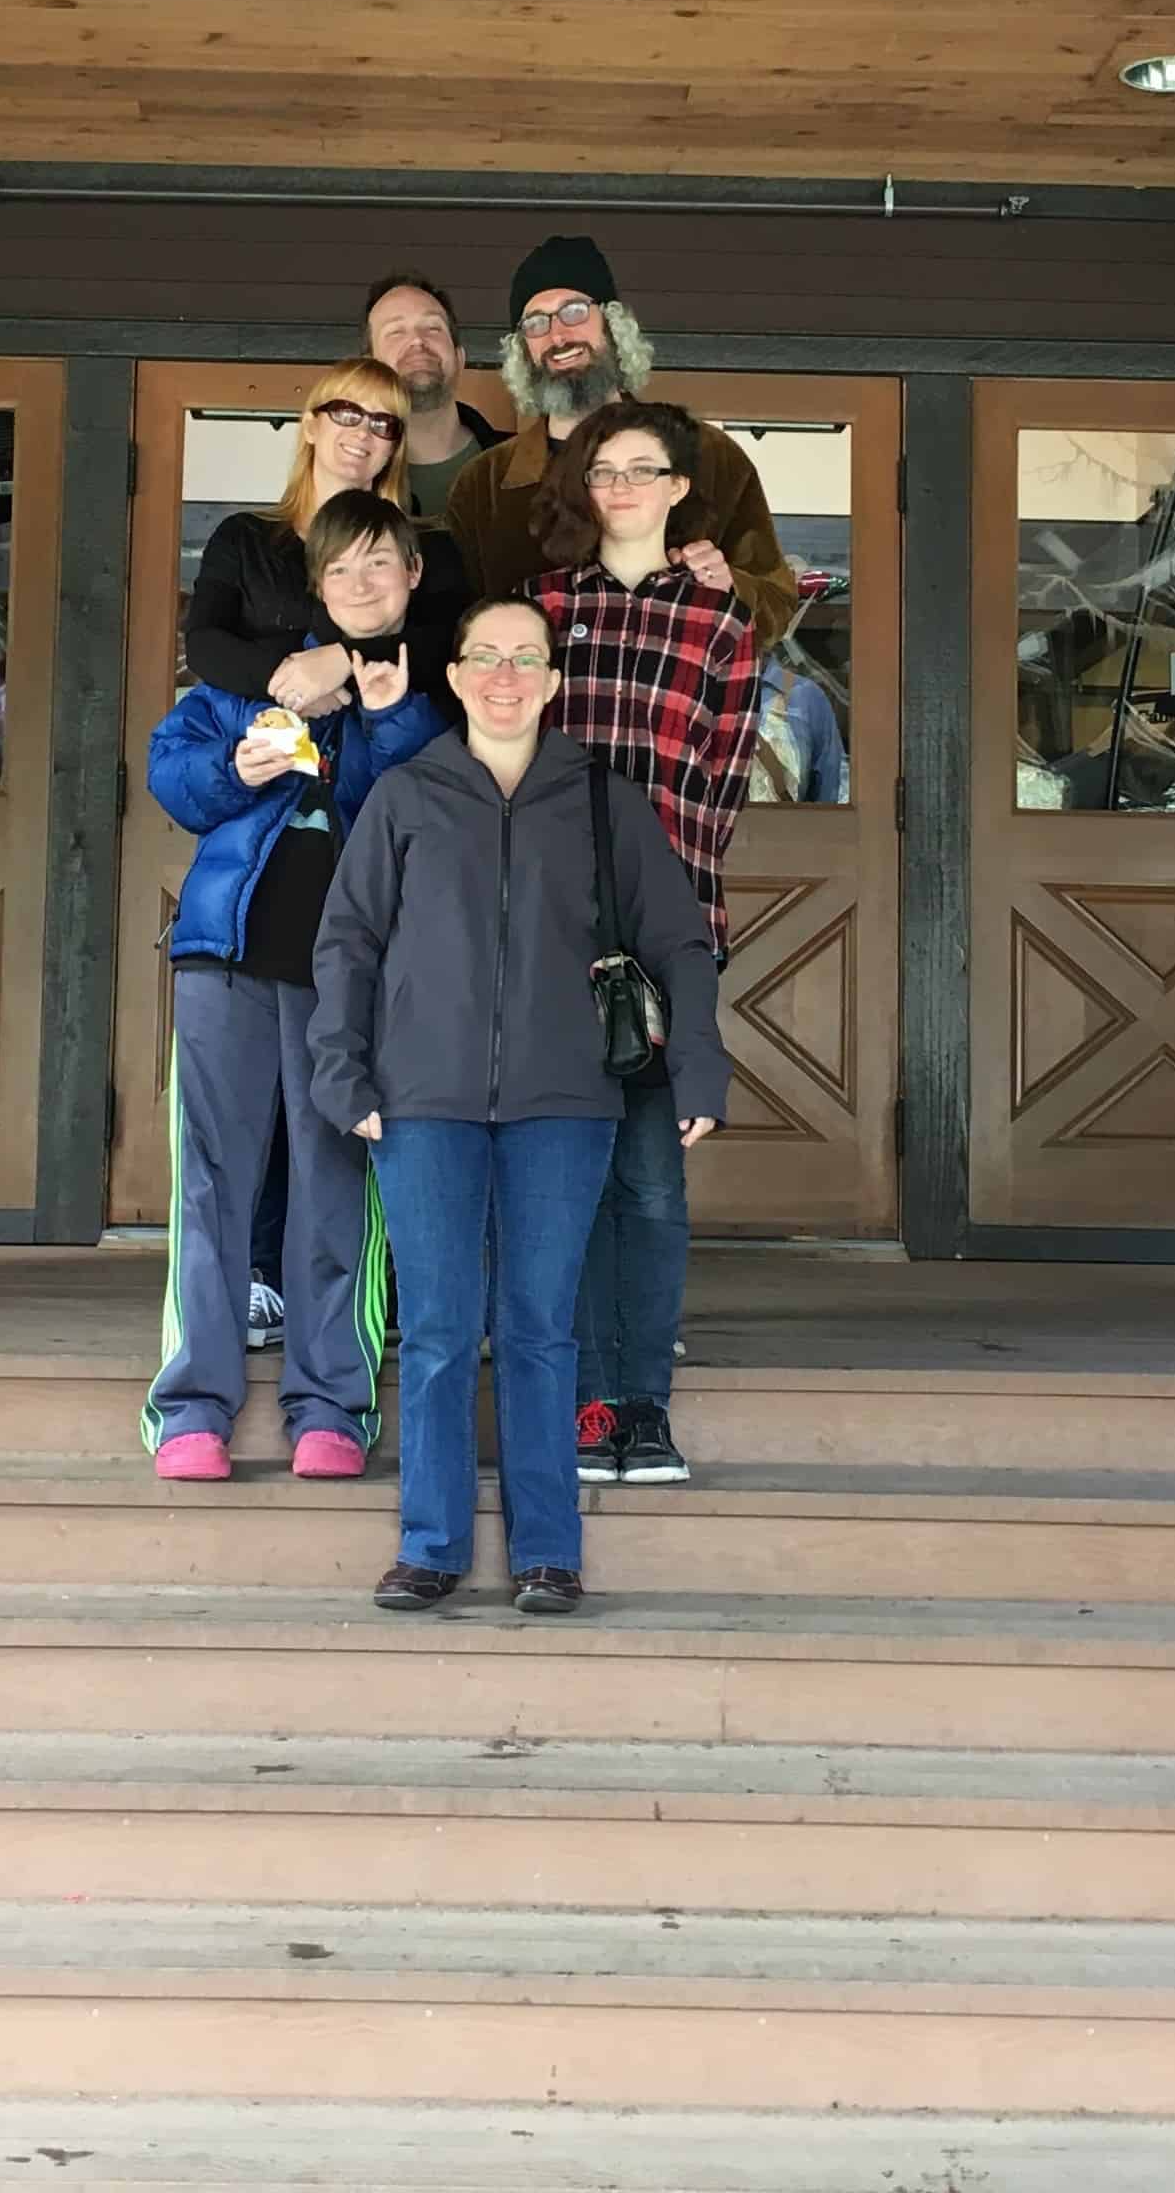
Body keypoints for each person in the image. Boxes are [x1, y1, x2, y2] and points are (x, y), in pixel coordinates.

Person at [313, 596, 725, 1616]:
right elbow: (347, 945)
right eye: (485, 656)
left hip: (565, 1101)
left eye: (525, 659)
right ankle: (431, 1546)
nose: (505, 675)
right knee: (444, 1330)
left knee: (542, 1330)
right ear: (453, 675)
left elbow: (678, 941)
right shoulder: (406, 797)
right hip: (422, 1102)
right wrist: (343, 1078)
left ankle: (549, 1551)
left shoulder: (601, 799)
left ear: (551, 680)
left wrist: (702, 1068)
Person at [141, 494, 449, 1482]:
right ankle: (192, 1405)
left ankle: (332, 1404)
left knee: (338, 1187)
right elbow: (172, 774)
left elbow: (433, 821)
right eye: (344, 569)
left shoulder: (425, 702)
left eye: (383, 566)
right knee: (213, 1184)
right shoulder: (251, 682)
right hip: (224, 959)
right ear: (316, 585)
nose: (365, 584)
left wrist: (392, 713)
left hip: (349, 984)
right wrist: (238, 765)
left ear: (412, 580)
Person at [525, 401, 761, 1490]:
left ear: (679, 489)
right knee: (563, 1176)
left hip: (666, 926)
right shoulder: (545, 611)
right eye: (602, 470)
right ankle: (583, 1403)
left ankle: (645, 1411)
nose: (621, 486)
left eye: (643, 470)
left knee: (654, 1182)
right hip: (547, 928)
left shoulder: (718, 624)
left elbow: (721, 784)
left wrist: (677, 918)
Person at [442, 233, 798, 652]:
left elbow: (777, 602)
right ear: (522, 347)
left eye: (574, 311)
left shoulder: (706, 456)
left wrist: (730, 586)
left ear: (612, 321)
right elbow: (458, 629)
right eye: (536, 322)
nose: (557, 336)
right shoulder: (483, 487)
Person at [185, 358, 468, 710]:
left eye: (383, 423)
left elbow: (455, 643)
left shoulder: (431, 544)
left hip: (399, 754)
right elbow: (203, 643)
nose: (364, 432)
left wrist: (343, 660)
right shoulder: (243, 538)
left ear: (394, 447)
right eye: (347, 413)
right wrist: (294, 685)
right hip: (268, 752)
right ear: (310, 427)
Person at [362, 268, 502, 521]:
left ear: (460, 359)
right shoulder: (349, 479)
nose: (417, 341)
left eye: (433, 328)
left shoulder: (526, 466)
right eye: (395, 331)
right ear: (369, 368)